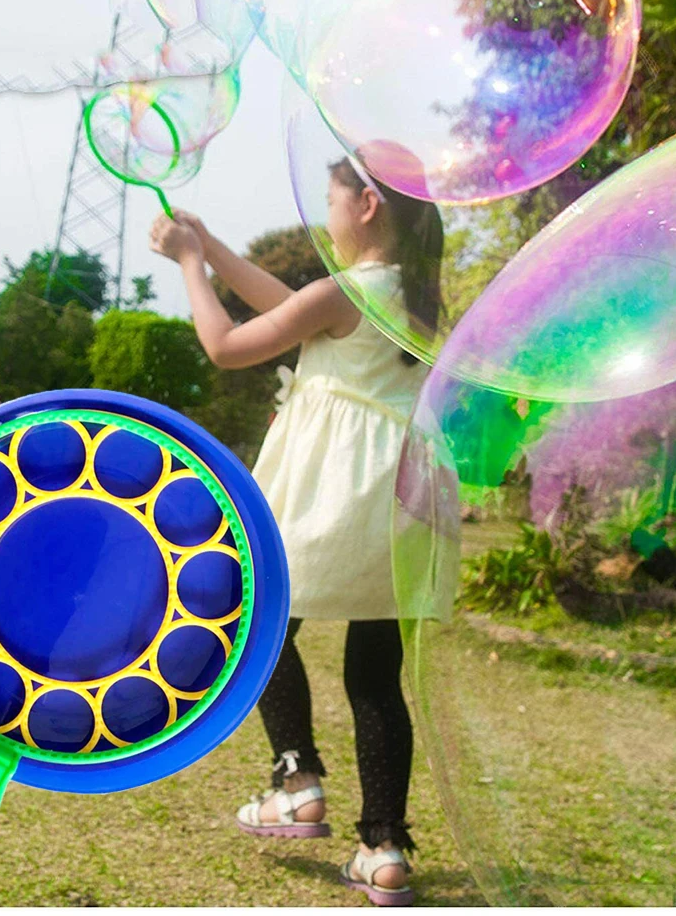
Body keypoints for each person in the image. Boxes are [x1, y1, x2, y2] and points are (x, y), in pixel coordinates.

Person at [149, 155, 443, 907]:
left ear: (368, 203)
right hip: (403, 503)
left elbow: (227, 345)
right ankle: (382, 849)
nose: (328, 212)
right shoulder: (413, 298)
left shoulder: (342, 293)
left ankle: (296, 780)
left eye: (333, 198)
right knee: (375, 678)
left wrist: (188, 265)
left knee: (260, 627)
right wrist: (213, 247)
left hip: (330, 495)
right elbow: (291, 305)